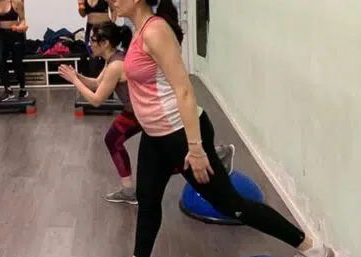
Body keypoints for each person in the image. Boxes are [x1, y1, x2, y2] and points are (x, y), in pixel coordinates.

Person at [100, 0, 336, 257]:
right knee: (148, 199)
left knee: (232, 204)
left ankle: (314, 251)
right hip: (156, 135)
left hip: (179, 134)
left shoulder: (156, 32)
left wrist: (195, 148)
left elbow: (184, 90)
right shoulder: (140, 31)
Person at [59, 21, 235, 205]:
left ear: (105, 43)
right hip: (133, 111)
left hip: (142, 113)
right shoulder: (113, 59)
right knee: (113, 140)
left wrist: (74, 81)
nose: (90, 44)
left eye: (93, 40)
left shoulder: (116, 65)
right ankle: (128, 190)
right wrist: (77, 76)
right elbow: (97, 84)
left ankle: (217, 155)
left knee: (171, 161)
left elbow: (96, 100)